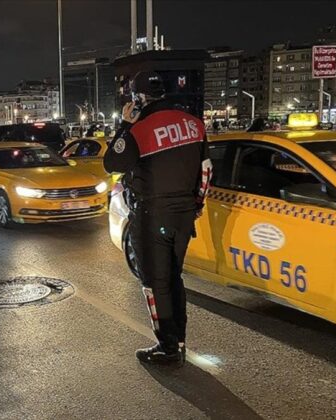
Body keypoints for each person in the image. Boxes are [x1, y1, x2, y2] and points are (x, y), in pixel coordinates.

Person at [104, 71, 212, 365]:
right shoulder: (193, 123)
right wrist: (197, 204)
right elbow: (205, 171)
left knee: (154, 282)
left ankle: (166, 347)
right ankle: (178, 338)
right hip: (185, 215)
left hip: (152, 216)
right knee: (174, 277)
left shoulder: (139, 130)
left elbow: (111, 162)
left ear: (138, 98)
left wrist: (125, 126)